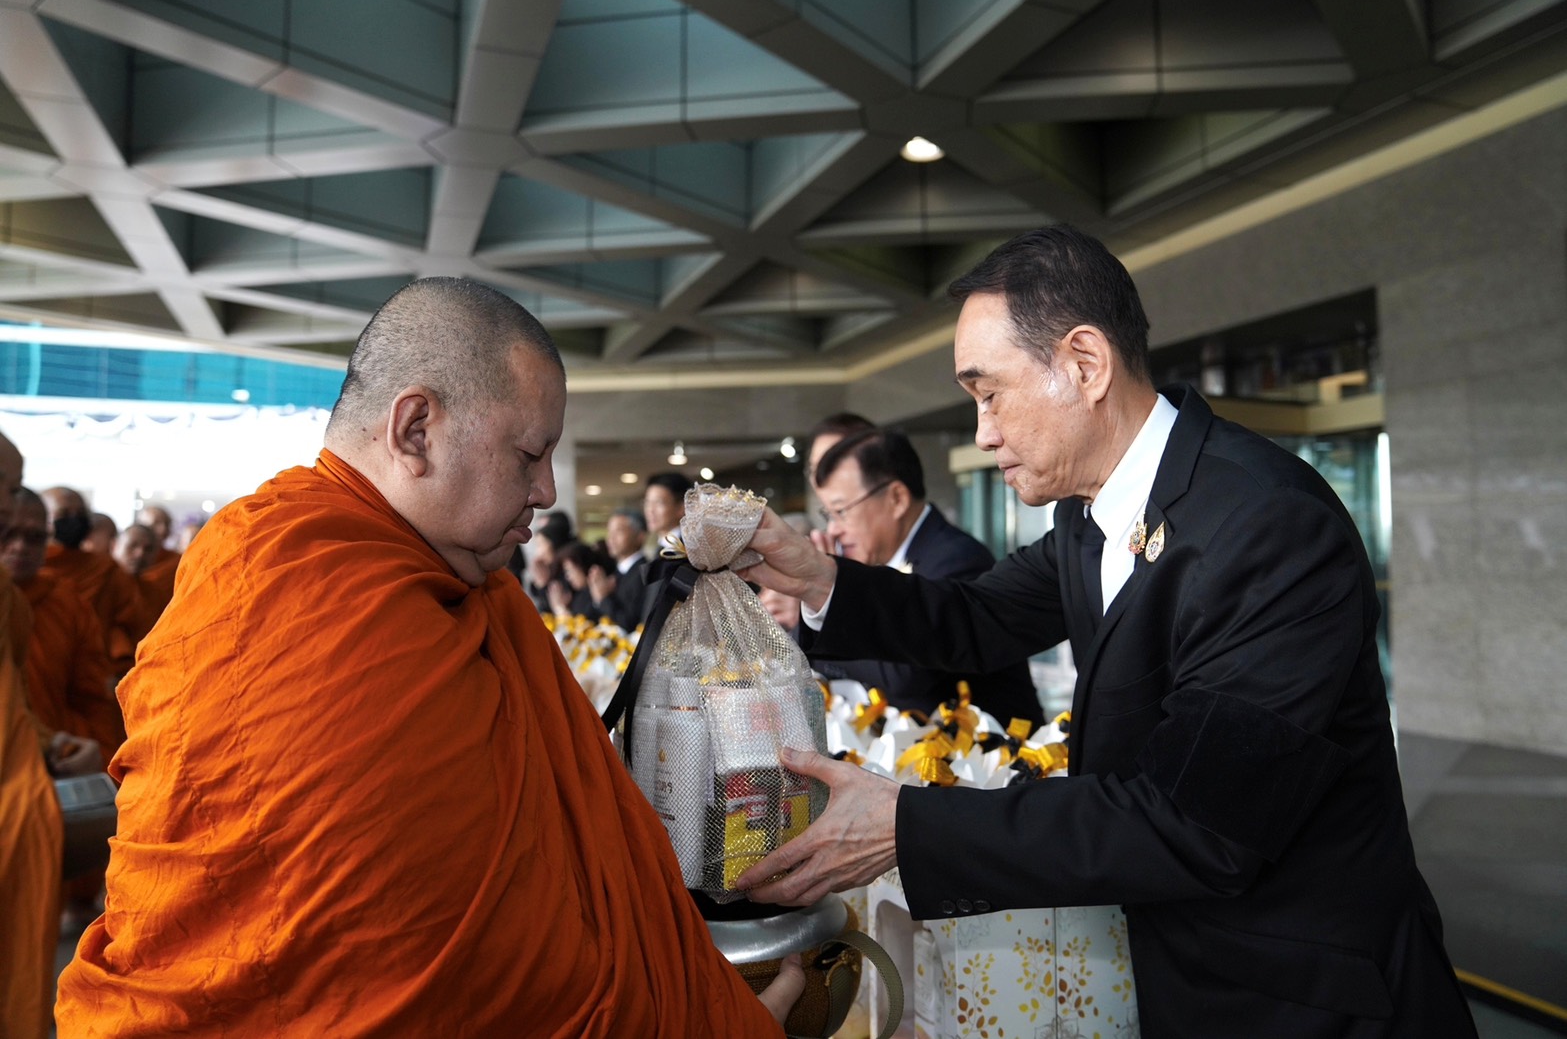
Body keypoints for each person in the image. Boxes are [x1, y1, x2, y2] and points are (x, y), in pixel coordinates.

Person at [734, 225, 1475, 1038]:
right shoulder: (1091, 517)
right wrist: (819, 578)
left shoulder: (1267, 524)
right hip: (1176, 961)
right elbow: (979, 615)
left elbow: (1194, 822)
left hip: (1298, 995)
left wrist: (906, 824)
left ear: (1085, 363)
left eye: (989, 394)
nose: (981, 433)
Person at [54, 277, 799, 1037]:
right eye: (529, 454)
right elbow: (441, 955)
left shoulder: (469, 588)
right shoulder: (289, 577)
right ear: (415, 430)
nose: (546, 491)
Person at [810, 428, 1043, 726]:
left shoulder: (956, 558)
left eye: (841, 511)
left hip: (994, 747)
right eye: (828, 515)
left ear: (896, 498)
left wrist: (830, 606)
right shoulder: (877, 560)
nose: (833, 530)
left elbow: (904, 675)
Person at [0, 434, 97, 1039]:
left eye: (12, 490)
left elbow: (13, 703)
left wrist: (55, 743)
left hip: (22, 794)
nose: (16, 537)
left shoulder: (24, 604)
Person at [3, 488, 119, 930]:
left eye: (34, 537)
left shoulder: (66, 602)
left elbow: (91, 695)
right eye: (8, 533)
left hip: (45, 772)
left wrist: (89, 756)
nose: (20, 547)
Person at [41, 486, 146, 676]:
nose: (74, 519)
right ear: (42, 517)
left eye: (80, 514)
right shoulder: (30, 567)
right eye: (64, 513)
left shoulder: (106, 569)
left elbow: (128, 624)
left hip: (92, 669)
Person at [590, 508, 649, 630]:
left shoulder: (645, 573)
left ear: (640, 536)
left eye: (618, 532)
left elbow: (630, 623)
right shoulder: (615, 573)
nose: (611, 538)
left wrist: (603, 599)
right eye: (609, 532)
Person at [133, 504, 181, 617]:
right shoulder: (129, 558)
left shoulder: (177, 560)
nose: (162, 529)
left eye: (166, 524)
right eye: (156, 523)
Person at [642, 470, 692, 557]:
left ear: (681, 508)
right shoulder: (657, 547)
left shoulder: (689, 551)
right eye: (648, 502)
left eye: (658, 503)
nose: (650, 510)